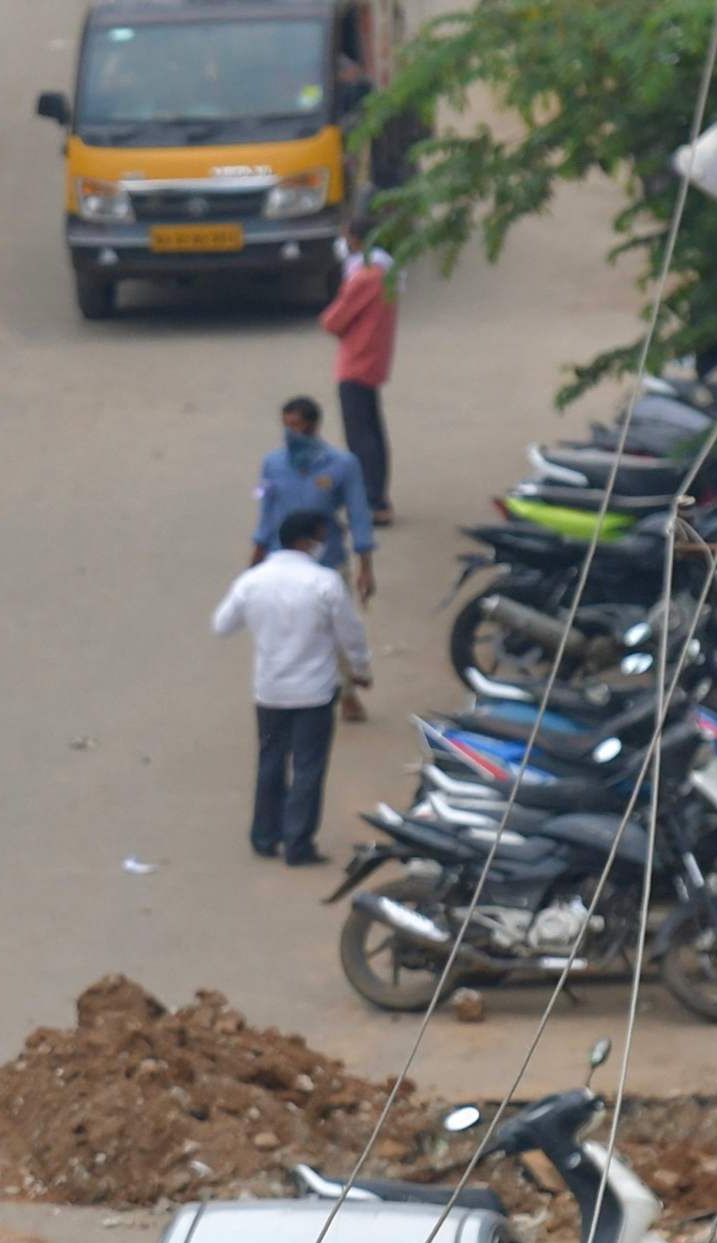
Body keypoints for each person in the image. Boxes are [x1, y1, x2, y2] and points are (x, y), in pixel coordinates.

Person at [215, 508, 369, 870]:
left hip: (269, 689)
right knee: (308, 767)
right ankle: (298, 843)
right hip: (314, 691)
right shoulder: (325, 582)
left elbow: (223, 625)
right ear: (307, 541)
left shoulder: (253, 581)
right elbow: (352, 634)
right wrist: (360, 669)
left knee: (270, 761)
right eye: (319, 537)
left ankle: (265, 836)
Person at [250, 394, 376, 603]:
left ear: (312, 426)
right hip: (281, 562)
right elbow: (266, 514)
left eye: (295, 425)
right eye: (286, 425)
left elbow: (359, 516)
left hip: (326, 560)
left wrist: (365, 568)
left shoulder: (343, 464)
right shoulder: (272, 464)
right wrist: (255, 564)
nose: (289, 433)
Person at [319, 225, 398, 518]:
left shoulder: (365, 278)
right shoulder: (386, 273)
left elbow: (332, 321)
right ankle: (377, 497)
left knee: (360, 435)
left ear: (355, 240)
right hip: (373, 359)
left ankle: (373, 500)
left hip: (356, 360)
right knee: (372, 431)